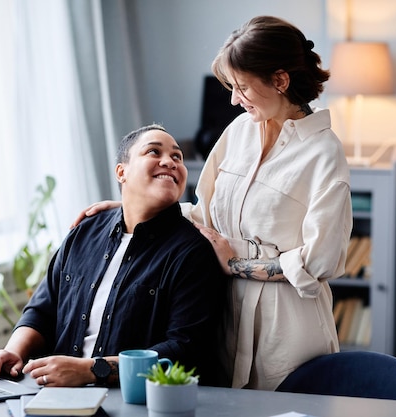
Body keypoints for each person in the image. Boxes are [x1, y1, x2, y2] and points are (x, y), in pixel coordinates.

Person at [72, 16, 353, 391]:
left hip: (286, 327)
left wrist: (237, 264)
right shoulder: (238, 131)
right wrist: (128, 206)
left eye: (241, 87)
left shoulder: (324, 152)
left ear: (281, 81)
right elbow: (201, 214)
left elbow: (322, 259)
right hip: (224, 314)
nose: (234, 99)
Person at [0, 124, 225, 387]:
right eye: (153, 151)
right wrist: (13, 352)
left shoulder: (192, 251)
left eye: (177, 157)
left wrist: (93, 370)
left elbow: (184, 350)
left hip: (133, 400)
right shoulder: (83, 232)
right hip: (54, 393)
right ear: (121, 172)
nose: (169, 162)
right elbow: (42, 310)